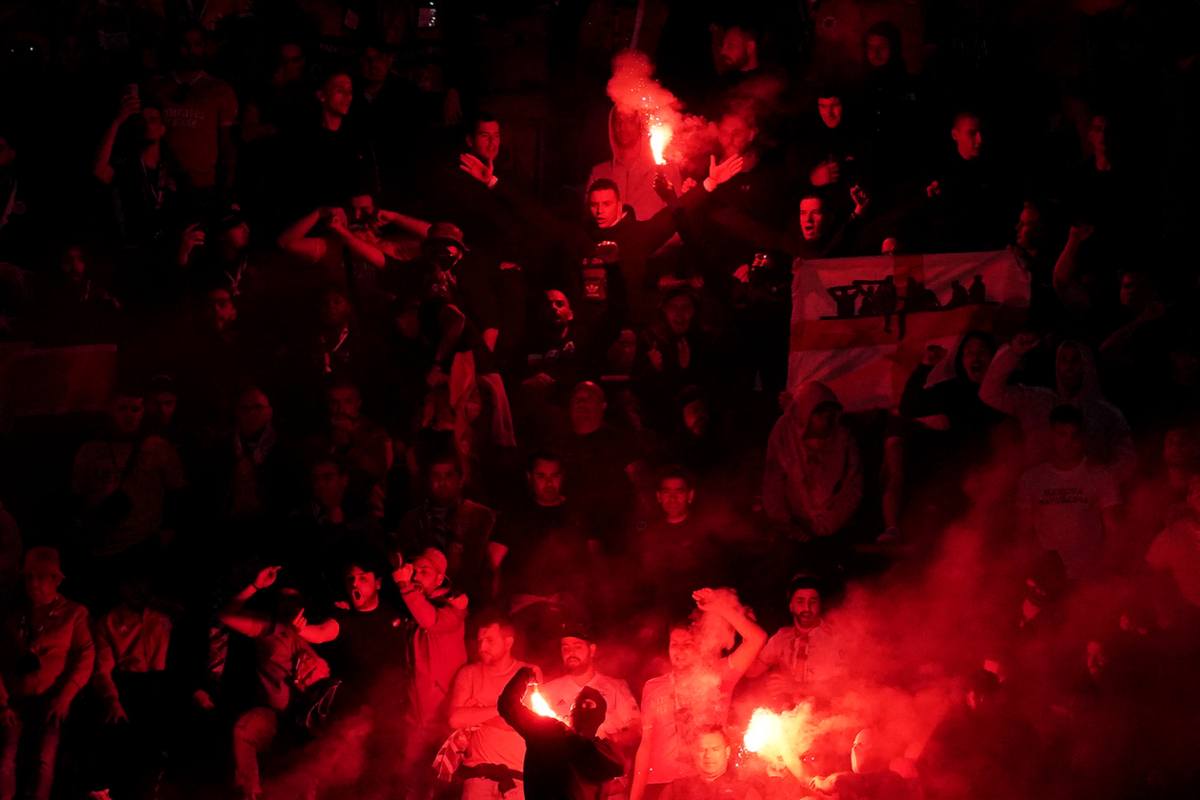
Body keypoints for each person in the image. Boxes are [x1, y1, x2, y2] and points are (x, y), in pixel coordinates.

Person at [631, 589, 766, 800]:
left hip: (699, 786)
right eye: (674, 644)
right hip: (657, 783)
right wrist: (635, 797)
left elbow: (756, 639)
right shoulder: (653, 686)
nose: (679, 650)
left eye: (688, 644)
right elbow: (645, 745)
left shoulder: (719, 677)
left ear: (701, 647)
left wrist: (720, 607)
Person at [218, 565, 334, 800]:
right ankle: (251, 794)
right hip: (274, 716)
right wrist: (255, 586)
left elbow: (327, 641)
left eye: (294, 599)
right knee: (244, 731)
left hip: (308, 723)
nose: (288, 604)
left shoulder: (312, 633)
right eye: (283, 599)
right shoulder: (268, 627)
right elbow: (225, 615)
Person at [0, 547, 95, 800]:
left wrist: (65, 697)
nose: (33, 583)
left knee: (44, 760)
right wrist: (1, 702)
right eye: (29, 576)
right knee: (6, 759)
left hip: (50, 700)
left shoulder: (74, 614)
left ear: (55, 579)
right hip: (16, 699)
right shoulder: (13, 616)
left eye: (41, 576)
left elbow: (85, 657)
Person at [980, 335, 1136, 481]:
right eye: (1063, 360)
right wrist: (1012, 352)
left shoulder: (1106, 413)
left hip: (1090, 502)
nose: (1068, 366)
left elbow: (1126, 459)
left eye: (1075, 360)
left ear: (1087, 365)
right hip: (1039, 496)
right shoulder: (1035, 401)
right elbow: (990, 393)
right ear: (1056, 364)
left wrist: (1097, 480)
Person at [85, 569, 173, 799]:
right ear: (121, 587)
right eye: (131, 584)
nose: (138, 591)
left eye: (143, 584)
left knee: (152, 761)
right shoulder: (109, 621)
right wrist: (112, 700)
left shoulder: (164, 617)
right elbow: (102, 671)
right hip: (128, 687)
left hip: (161, 688)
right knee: (117, 750)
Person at [392, 547, 469, 794]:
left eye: (424, 571)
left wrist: (405, 586)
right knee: (409, 779)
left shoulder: (453, 609)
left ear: (439, 578)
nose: (416, 576)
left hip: (442, 714)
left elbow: (430, 620)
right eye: (413, 571)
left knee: (442, 782)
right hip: (415, 714)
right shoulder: (411, 609)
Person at [1016, 405, 1122, 580]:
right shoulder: (1032, 478)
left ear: (1083, 437)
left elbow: (1113, 527)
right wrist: (1026, 567)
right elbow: (1023, 531)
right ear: (1051, 435)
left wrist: (1110, 566)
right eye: (1062, 434)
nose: (1068, 442)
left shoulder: (1100, 475)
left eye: (1074, 435)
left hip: (1090, 571)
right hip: (1047, 575)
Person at [447, 612, 542, 799]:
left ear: (508, 643)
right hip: (477, 776)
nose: (482, 647)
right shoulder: (469, 674)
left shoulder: (527, 673)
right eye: (480, 640)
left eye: (490, 641)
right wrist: (504, 709)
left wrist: (476, 713)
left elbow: (526, 724)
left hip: (519, 778)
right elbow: (455, 719)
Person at [498, 665, 625, 799]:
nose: (581, 708)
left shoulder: (551, 732)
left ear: (570, 713)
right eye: (578, 704)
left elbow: (508, 704)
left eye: (586, 704)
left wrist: (526, 674)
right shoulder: (607, 754)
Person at [143, 25, 237, 201]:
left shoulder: (219, 90)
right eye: (185, 45)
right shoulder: (156, 87)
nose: (192, 50)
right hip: (163, 183)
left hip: (203, 185)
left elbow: (226, 143)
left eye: (198, 44)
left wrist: (226, 186)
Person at [540, 623, 642, 784]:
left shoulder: (616, 687)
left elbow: (637, 728)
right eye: (565, 648)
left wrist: (611, 741)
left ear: (592, 650)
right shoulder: (547, 691)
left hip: (609, 783)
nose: (570, 652)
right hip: (566, 784)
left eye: (577, 646)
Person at [762, 382, 863, 543]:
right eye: (820, 413)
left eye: (830, 414)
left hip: (836, 527)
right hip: (793, 527)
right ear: (806, 414)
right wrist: (786, 525)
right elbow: (773, 482)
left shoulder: (843, 438)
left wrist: (830, 523)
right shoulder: (784, 432)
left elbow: (853, 485)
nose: (826, 420)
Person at [394, 452, 501, 603]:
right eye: (436, 476)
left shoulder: (480, 516)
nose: (442, 482)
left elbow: (486, 566)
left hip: (468, 602)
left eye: (449, 475)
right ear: (427, 480)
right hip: (422, 601)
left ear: (460, 479)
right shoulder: (412, 520)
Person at [747, 574, 846, 705]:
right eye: (800, 601)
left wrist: (797, 687)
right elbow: (751, 671)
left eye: (813, 601)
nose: (807, 608)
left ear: (820, 604)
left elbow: (845, 686)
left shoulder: (837, 637)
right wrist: (746, 624)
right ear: (791, 606)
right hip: (790, 717)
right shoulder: (781, 638)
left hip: (830, 717)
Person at [587, 106, 683, 221]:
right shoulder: (599, 173)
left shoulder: (666, 171)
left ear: (640, 123)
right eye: (618, 121)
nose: (622, 127)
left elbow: (677, 219)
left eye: (629, 120)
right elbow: (589, 220)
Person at [658, 726, 762, 800]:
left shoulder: (745, 793)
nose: (708, 755)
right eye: (702, 750)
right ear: (694, 753)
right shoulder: (674, 790)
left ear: (727, 752)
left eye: (715, 749)